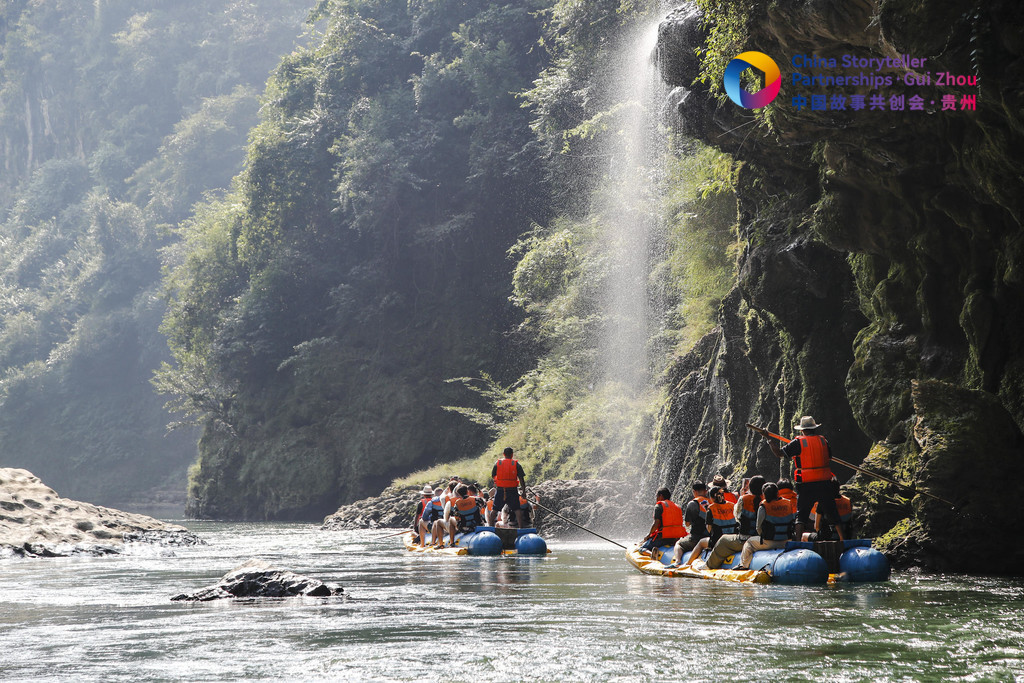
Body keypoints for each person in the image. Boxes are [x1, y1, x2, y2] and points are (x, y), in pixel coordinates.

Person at [768, 415, 845, 541]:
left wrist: (769, 440)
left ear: (802, 430)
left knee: (801, 515)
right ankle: (843, 539)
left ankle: (798, 542)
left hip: (806, 484)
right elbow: (829, 456)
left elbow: (779, 453)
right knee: (832, 512)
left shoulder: (799, 442)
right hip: (824, 482)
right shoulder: (823, 441)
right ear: (814, 428)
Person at [703, 475, 765, 569]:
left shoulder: (743, 499)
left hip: (746, 539)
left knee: (723, 539)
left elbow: (737, 517)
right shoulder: (767, 499)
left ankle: (709, 565)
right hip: (764, 539)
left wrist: (743, 495)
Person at [731, 482, 796, 570]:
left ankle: (744, 565)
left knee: (749, 542)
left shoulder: (763, 506)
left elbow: (758, 527)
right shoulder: (788, 503)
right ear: (777, 493)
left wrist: (763, 536)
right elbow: (793, 521)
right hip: (787, 541)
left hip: (769, 541)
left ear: (764, 494)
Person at [676, 485, 738, 567]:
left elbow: (709, 529)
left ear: (712, 498)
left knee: (701, 542)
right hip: (733, 539)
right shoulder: (732, 505)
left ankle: (687, 564)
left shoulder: (711, 508)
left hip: (718, 541)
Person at [667, 481, 712, 565]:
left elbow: (687, 524)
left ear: (694, 492)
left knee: (679, 544)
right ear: (705, 491)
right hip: (710, 538)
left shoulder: (693, 504)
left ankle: (678, 561)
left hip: (696, 538)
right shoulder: (712, 502)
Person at [489, 447, 527, 528]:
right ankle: (521, 528)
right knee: (517, 509)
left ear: (504, 454)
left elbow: (493, 475)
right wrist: (524, 492)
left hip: (500, 490)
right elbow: (521, 479)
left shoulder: (497, 463)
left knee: (494, 510)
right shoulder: (516, 464)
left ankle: (490, 528)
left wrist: (498, 483)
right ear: (512, 455)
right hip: (512, 490)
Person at [639, 487, 685, 553]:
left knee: (642, 549)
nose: (656, 499)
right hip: (676, 538)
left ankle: (651, 554)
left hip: (663, 538)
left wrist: (648, 536)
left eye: (656, 496)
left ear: (661, 496)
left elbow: (656, 524)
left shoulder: (659, 506)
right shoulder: (677, 507)